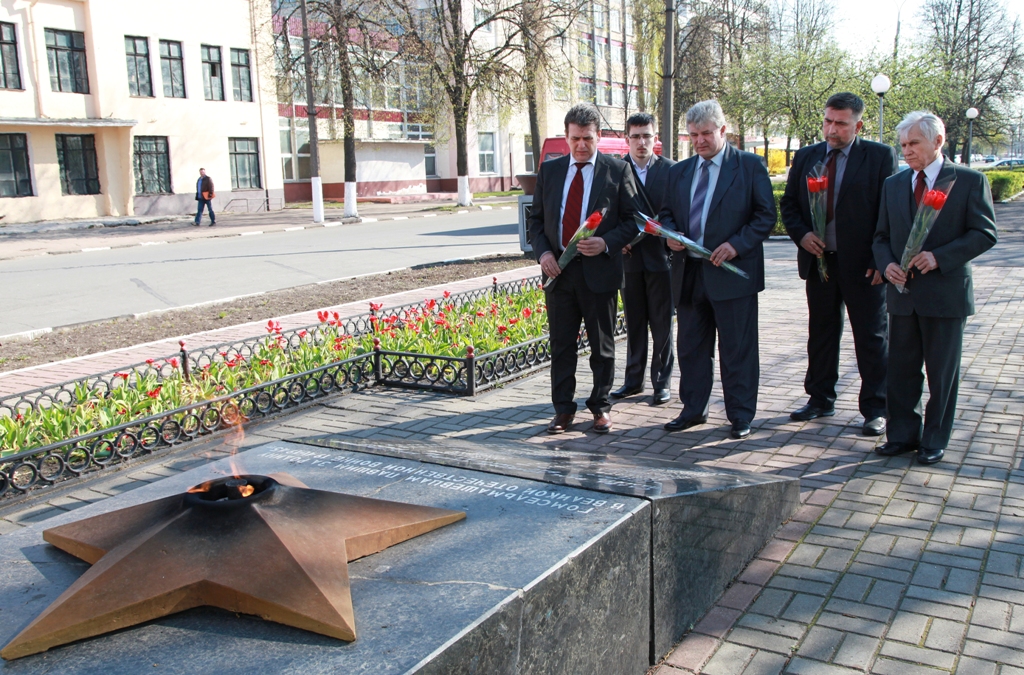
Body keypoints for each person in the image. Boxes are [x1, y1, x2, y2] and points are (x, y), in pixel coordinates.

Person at [873, 111, 996, 465]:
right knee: (900, 370)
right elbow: (881, 237)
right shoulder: (893, 184)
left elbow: (985, 233)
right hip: (901, 296)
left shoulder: (969, 182)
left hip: (945, 295)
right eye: (903, 145)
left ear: (938, 142)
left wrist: (940, 257)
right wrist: (887, 264)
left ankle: (934, 438)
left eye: (913, 144)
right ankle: (901, 435)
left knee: (942, 374)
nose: (906, 151)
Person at [780, 92, 897, 436]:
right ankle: (819, 398)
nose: (831, 129)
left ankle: (877, 407)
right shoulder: (806, 156)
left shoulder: (879, 157)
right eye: (828, 121)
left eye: (840, 123)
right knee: (822, 333)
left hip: (864, 266)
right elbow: (789, 205)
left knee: (872, 336)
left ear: (858, 125)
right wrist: (801, 235)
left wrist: (881, 259)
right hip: (819, 263)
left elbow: (888, 213)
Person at [658, 100, 776, 439]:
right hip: (689, 273)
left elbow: (765, 216)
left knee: (736, 348)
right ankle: (693, 409)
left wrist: (737, 245)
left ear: (723, 130)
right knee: (692, 347)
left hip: (732, 273)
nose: (699, 141)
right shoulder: (679, 171)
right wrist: (671, 236)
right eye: (693, 135)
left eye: (706, 134)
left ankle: (740, 415)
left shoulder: (750, 166)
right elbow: (666, 213)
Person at [527, 103, 640, 435]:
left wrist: (606, 243)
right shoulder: (550, 171)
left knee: (602, 345)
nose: (580, 145)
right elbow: (535, 221)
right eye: (575, 138)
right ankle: (563, 410)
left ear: (599, 136)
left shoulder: (616, 171)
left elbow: (635, 221)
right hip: (559, 272)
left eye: (587, 139)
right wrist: (543, 253)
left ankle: (601, 407)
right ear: (566, 136)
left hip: (599, 271)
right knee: (561, 345)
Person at [612, 112, 677, 406]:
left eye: (646, 136)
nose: (641, 142)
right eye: (635, 136)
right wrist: (617, 239)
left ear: (655, 138)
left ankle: (661, 382)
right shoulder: (615, 169)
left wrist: (669, 235)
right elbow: (606, 211)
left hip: (662, 259)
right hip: (629, 259)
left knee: (662, 324)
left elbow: (678, 212)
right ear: (627, 139)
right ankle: (632, 380)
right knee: (634, 322)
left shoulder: (672, 170)